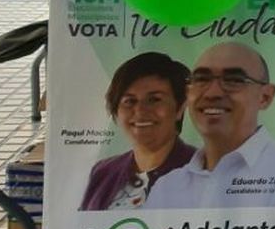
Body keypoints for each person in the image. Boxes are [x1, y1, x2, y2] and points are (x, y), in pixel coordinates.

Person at [146, 43, 275, 209]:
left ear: (265, 96)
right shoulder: (166, 188)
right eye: (201, 79)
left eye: (234, 80)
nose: (212, 93)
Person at [81, 52, 196, 210]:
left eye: (154, 99)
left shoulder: (203, 171)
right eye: (130, 101)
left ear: (180, 108)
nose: (141, 111)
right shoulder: (103, 172)